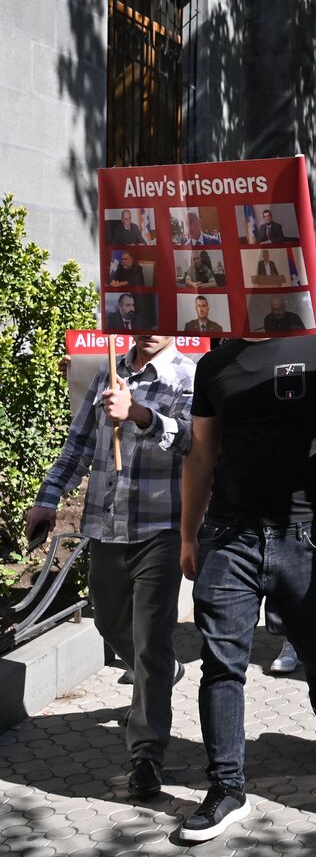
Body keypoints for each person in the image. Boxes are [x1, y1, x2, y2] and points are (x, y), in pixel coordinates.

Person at [175, 320, 316, 842]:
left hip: (305, 535)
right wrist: (189, 535)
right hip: (229, 533)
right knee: (221, 662)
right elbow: (201, 454)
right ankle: (225, 788)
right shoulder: (215, 363)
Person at [26, 334, 196, 801]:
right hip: (105, 526)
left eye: (159, 316)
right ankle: (163, 672)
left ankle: (146, 755)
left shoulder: (190, 376)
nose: (150, 327)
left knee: (150, 645)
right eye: (140, 315)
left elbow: (194, 443)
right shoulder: (108, 373)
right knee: (107, 621)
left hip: (160, 529)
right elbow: (77, 445)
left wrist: (140, 414)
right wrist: (48, 499)